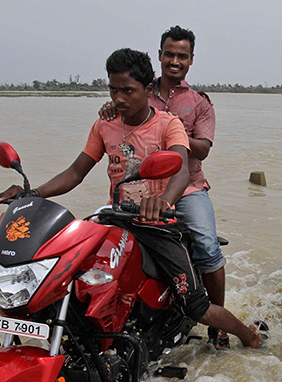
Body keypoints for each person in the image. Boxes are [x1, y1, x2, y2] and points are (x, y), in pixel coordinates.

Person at [0, 48, 263, 349]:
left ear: (147, 90)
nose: (119, 98)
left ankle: (244, 333)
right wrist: (31, 194)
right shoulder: (104, 125)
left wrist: (163, 201)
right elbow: (75, 172)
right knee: (72, 272)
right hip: (118, 217)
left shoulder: (168, 124)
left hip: (158, 223)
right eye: (113, 90)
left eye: (128, 90)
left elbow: (181, 171)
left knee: (195, 306)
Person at [99, 26, 229, 349]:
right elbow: (119, 120)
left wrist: (175, 134)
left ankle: (219, 322)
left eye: (182, 56)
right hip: (138, 188)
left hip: (186, 187)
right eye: (169, 54)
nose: (174, 61)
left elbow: (203, 148)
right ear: (159, 56)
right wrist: (113, 109)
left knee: (206, 243)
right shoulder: (137, 90)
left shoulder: (199, 103)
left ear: (191, 60)